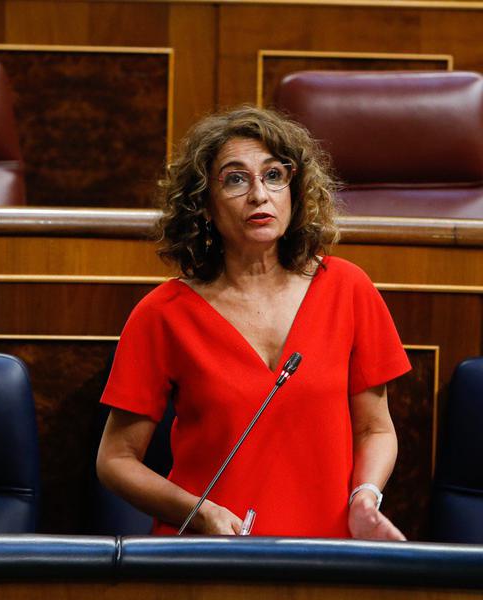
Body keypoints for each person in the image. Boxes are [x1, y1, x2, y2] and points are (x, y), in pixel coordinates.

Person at [96, 106, 411, 539]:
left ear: (294, 192)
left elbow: (376, 428)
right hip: (210, 557)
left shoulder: (347, 289)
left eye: (275, 176)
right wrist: (200, 512)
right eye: (235, 178)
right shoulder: (163, 314)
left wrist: (365, 494)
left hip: (327, 553)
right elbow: (116, 459)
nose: (259, 195)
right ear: (204, 204)